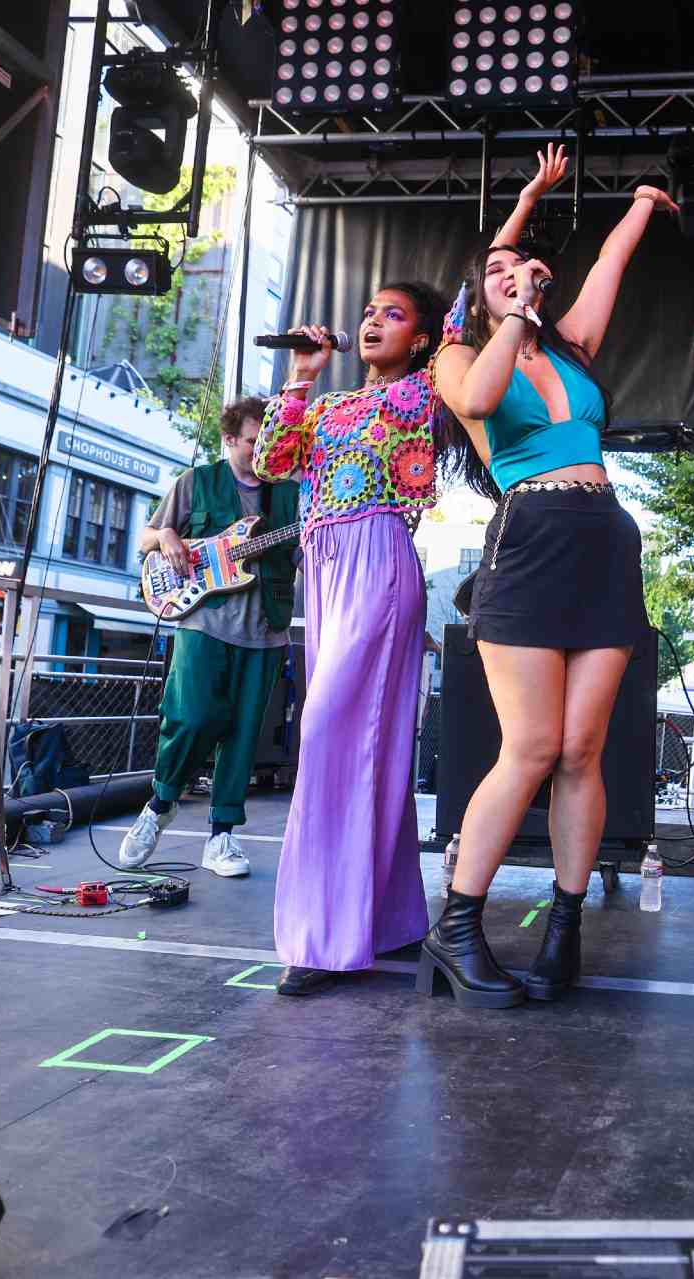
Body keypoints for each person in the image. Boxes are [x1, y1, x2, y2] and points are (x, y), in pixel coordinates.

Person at [424, 146, 676, 1008]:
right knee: (530, 745)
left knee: (582, 751)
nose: (510, 272)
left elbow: (607, 263)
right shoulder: (459, 359)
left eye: (520, 266)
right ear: (480, 291)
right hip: (529, 540)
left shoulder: (572, 348)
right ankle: (457, 923)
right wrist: (515, 297)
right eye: (493, 270)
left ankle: (565, 929)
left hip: (605, 540)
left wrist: (643, 203)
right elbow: (485, 398)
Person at [255, 279, 450, 997]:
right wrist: (302, 375)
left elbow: (464, 319)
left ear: (421, 338)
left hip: (379, 560)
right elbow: (273, 461)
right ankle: (391, 914)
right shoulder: (332, 403)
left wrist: (521, 206)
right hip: (326, 569)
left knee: (331, 729)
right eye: (368, 311)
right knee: (367, 741)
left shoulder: (422, 393)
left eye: (392, 315)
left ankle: (325, 936)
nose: (372, 322)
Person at [119, 397, 297, 879]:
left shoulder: (290, 494)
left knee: (243, 736)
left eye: (269, 439)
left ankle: (222, 835)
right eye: (253, 439)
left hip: (265, 629)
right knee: (191, 715)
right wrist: (167, 538)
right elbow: (145, 538)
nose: (262, 448)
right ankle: (160, 804)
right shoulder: (195, 482)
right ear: (229, 440)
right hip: (202, 620)